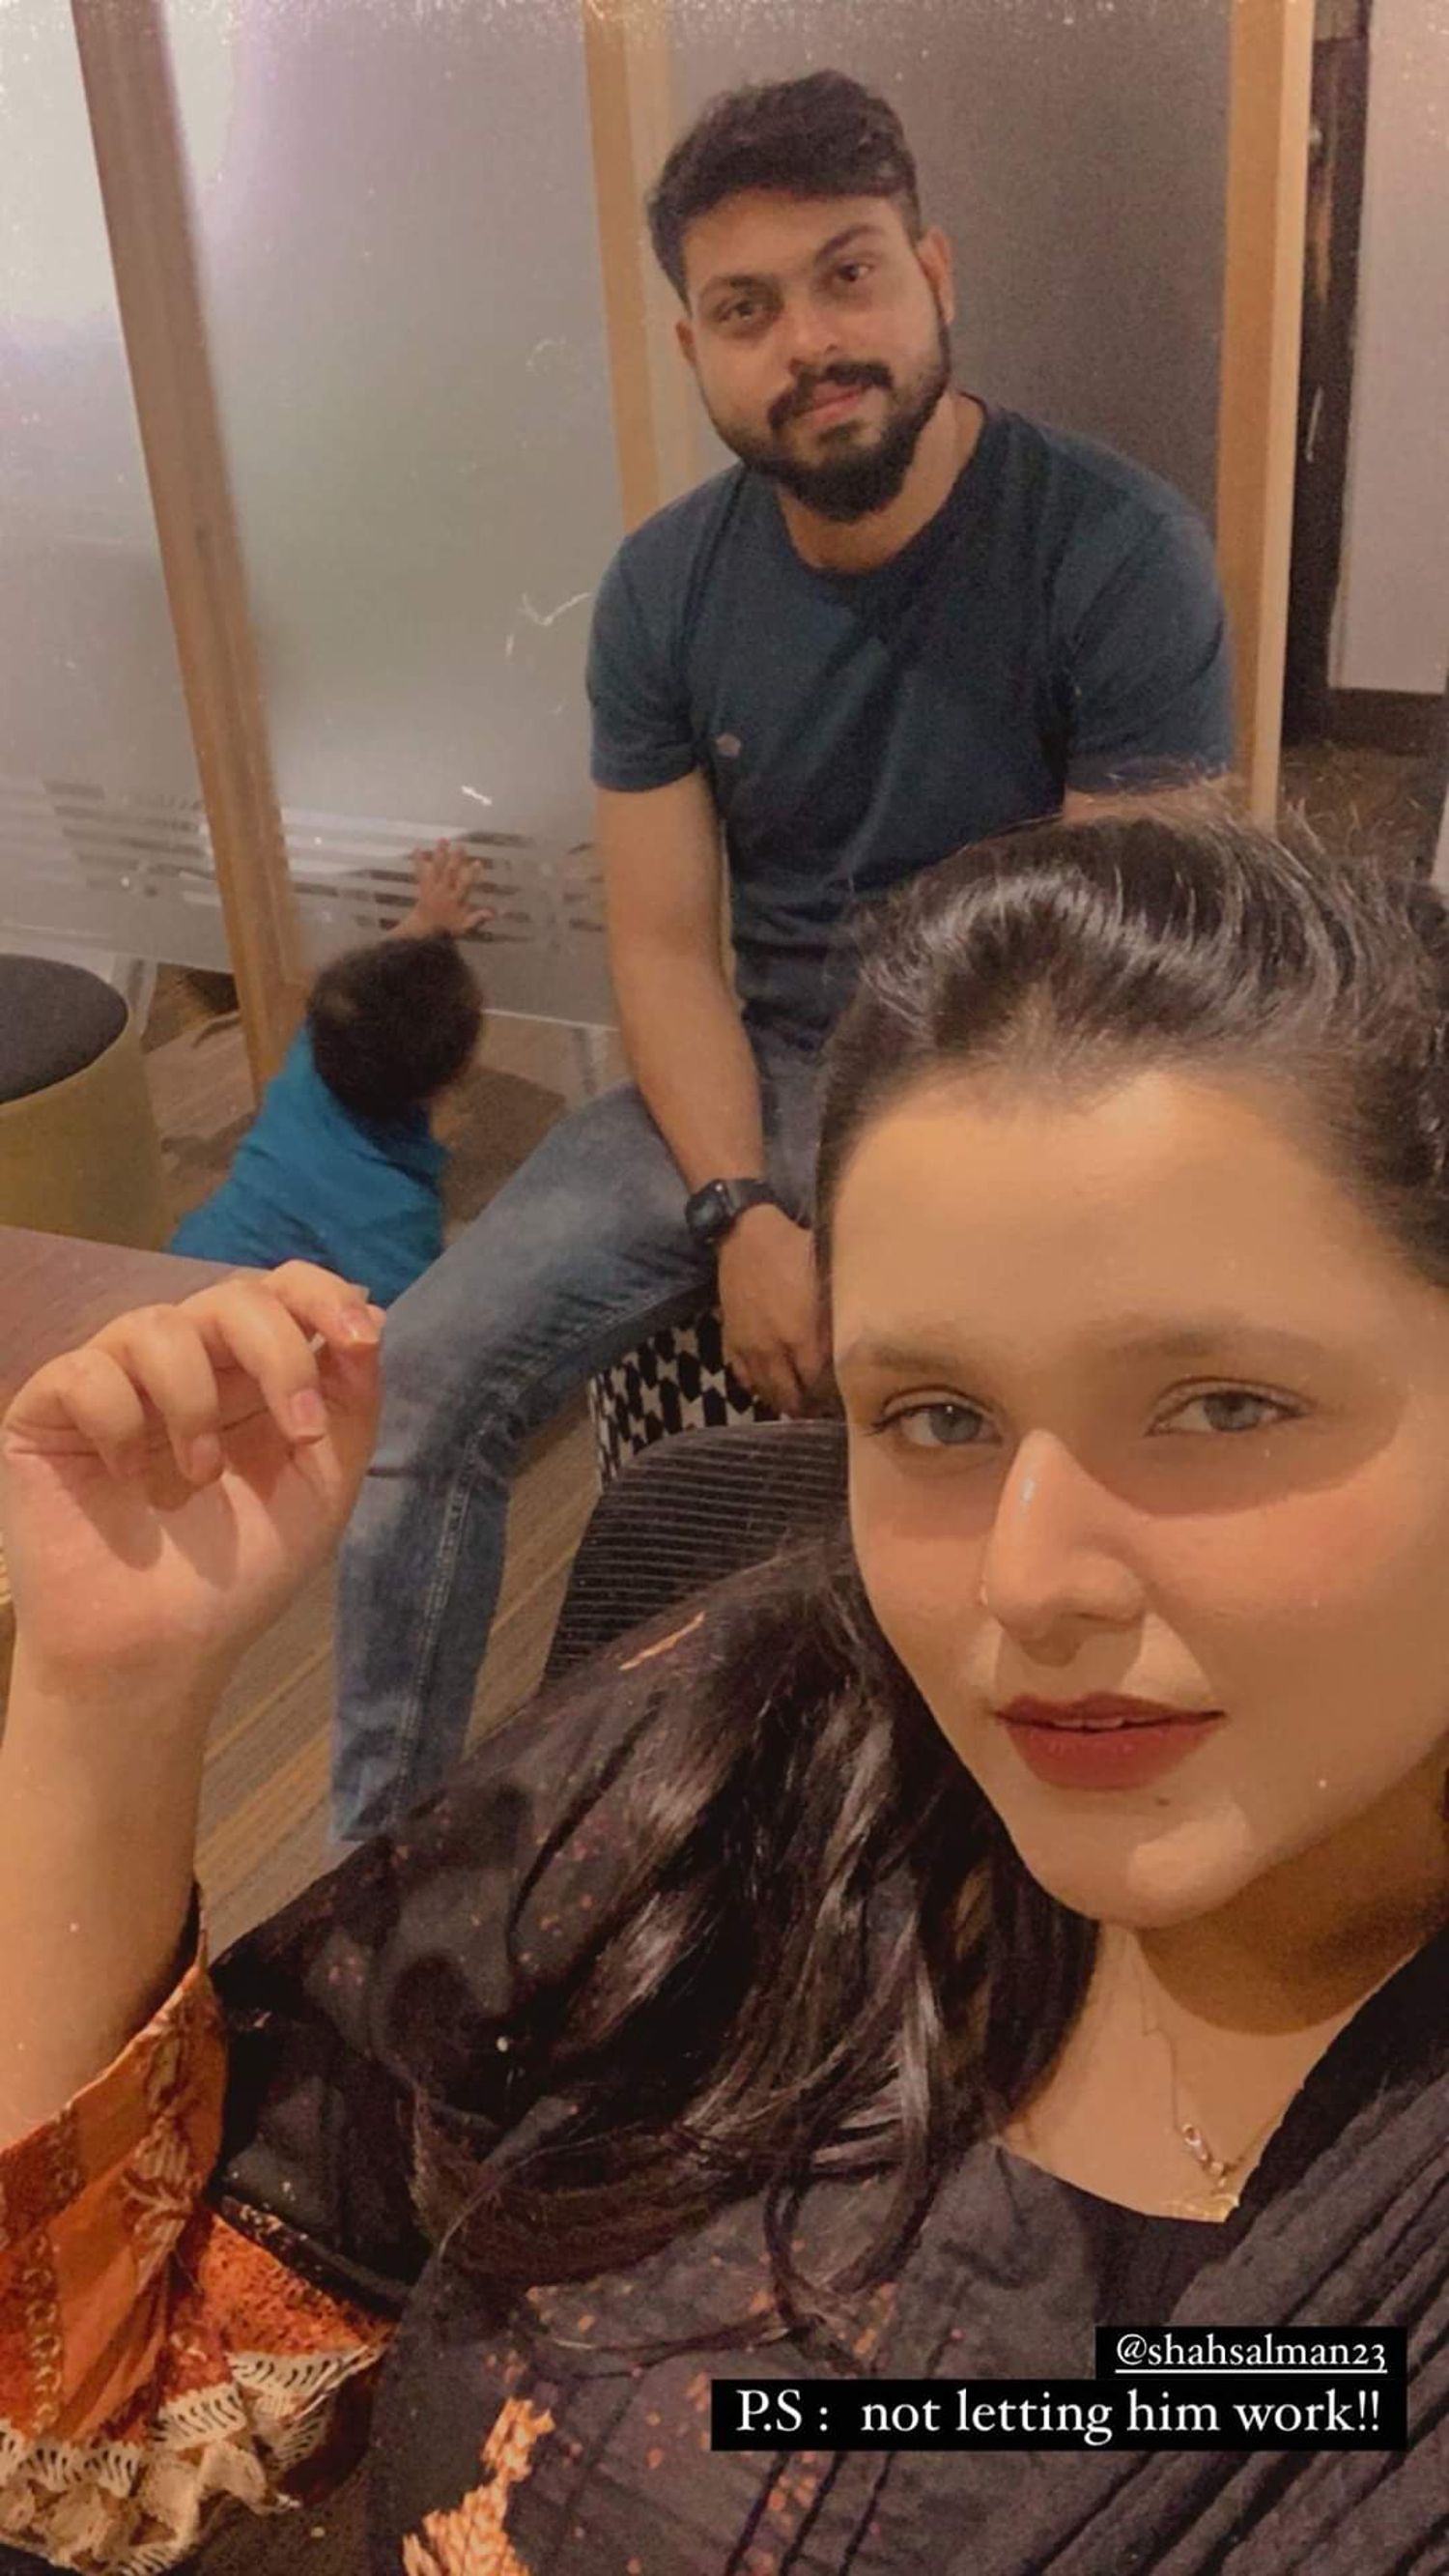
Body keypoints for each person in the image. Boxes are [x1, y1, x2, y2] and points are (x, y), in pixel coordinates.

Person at [1, 809, 1445, 2576]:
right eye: (936, 1416)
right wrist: (109, 1686)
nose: (1028, 1580)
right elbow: (94, 2450)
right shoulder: (753, 1771)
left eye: (1222, 1404)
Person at [329, 70, 1236, 1842]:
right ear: (696, 348)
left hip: (1015, 1079)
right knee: (415, 1373)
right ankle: (378, 1863)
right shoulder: (664, 590)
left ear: (933, 273)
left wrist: (897, 1214)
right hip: (767, 1069)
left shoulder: (1114, 549)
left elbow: (1118, 978)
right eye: (747, 310)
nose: (810, 343)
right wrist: (740, 1205)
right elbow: (667, 947)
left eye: (849, 276)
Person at [170, 844, 488, 1306]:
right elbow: (416, 1326)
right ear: (445, 1086)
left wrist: (426, 919)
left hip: (178, 1266)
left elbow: (356, 997)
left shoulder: (318, 1057)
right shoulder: (389, 1213)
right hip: (223, 1324)